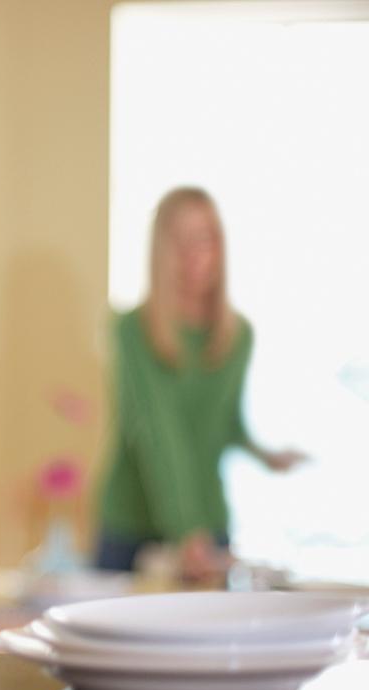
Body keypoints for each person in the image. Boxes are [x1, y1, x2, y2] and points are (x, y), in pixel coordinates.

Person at [95, 187, 302, 582]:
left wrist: (264, 453)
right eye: (180, 240)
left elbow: (222, 423)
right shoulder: (133, 331)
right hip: (133, 526)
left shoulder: (237, 336)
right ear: (160, 249)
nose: (193, 254)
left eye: (204, 238)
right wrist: (186, 532)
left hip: (207, 525)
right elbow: (157, 432)